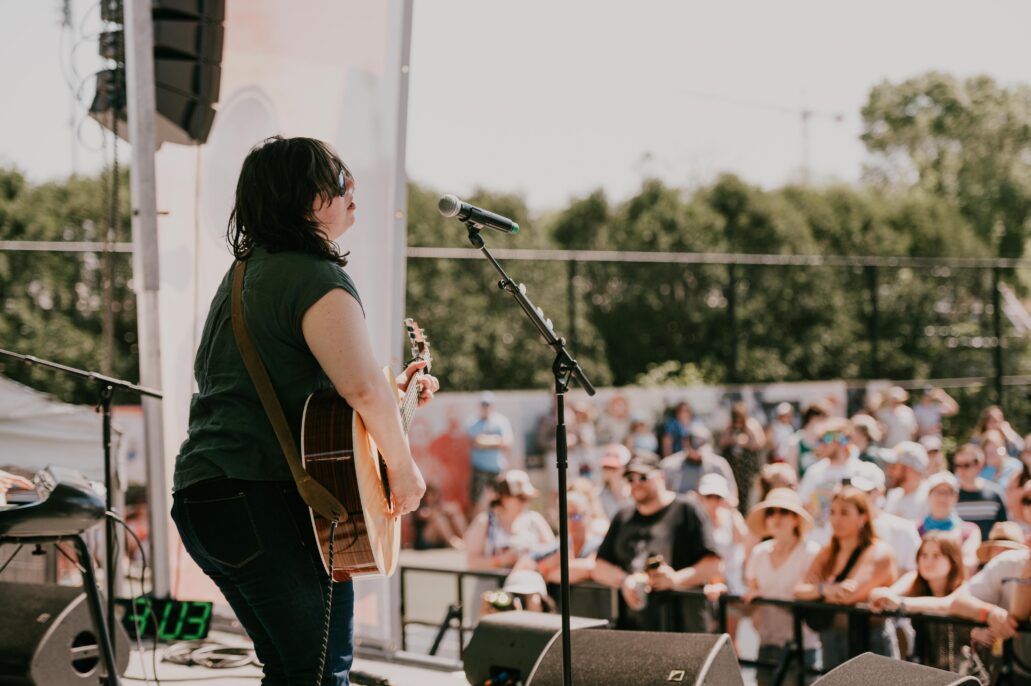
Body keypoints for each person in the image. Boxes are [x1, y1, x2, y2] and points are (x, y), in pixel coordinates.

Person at [170, 137, 436, 686]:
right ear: (306, 198)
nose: (351, 191)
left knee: (293, 671)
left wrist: (396, 401)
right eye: (338, 181)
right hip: (263, 497)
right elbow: (362, 391)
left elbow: (325, 408)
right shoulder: (316, 277)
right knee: (317, 674)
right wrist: (405, 470)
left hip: (212, 499)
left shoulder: (245, 276)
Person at [592, 452, 721, 632]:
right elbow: (599, 567)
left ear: (661, 475)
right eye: (631, 479)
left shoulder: (687, 509)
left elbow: (713, 566)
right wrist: (624, 581)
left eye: (643, 477)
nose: (636, 484)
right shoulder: (623, 516)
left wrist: (676, 579)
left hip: (682, 627)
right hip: (635, 628)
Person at [794, 487, 899, 667]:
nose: (836, 519)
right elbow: (799, 590)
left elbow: (849, 594)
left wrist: (819, 591)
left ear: (863, 517)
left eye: (844, 513)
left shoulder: (879, 551)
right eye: (833, 512)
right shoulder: (827, 552)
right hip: (831, 640)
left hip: (869, 642)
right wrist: (827, 589)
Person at [742, 488, 821, 686]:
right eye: (771, 512)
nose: (777, 517)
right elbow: (750, 594)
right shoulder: (759, 553)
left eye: (783, 512)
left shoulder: (811, 553)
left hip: (801, 646)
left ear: (795, 519)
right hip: (766, 641)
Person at [868, 532, 969, 671]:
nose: (928, 561)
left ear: (953, 560)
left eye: (936, 555)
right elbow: (887, 594)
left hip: (960, 668)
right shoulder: (915, 579)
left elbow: (946, 605)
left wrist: (900, 603)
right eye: (924, 555)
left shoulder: (964, 588)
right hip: (924, 667)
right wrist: (881, 597)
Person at [464, 470, 555, 571]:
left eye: (528, 498)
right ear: (504, 498)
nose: (525, 503)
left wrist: (530, 556)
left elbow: (552, 551)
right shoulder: (485, 522)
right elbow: (472, 562)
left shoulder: (534, 520)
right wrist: (501, 561)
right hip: (493, 584)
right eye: (521, 498)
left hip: (529, 582)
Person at [797, 417, 864, 543]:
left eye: (826, 439)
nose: (821, 444)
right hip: (819, 541)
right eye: (820, 440)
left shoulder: (862, 471)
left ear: (842, 440)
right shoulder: (814, 472)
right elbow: (803, 506)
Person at [851, 461, 921, 573]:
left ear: (880, 492)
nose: (859, 498)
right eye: (855, 492)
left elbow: (914, 572)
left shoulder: (904, 529)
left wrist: (891, 590)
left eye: (866, 492)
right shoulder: (840, 528)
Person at [919, 471, 981, 575]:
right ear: (929, 495)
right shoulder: (914, 528)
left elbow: (970, 563)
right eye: (938, 492)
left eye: (948, 493)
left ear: (956, 497)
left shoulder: (969, 531)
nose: (942, 498)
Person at [536, 490, 603, 584]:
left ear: (588, 516)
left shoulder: (597, 544)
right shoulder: (559, 546)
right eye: (565, 516)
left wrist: (548, 575)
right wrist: (546, 567)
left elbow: (590, 567)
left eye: (575, 516)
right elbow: (534, 566)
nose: (570, 522)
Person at [660, 424, 737, 501]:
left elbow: (732, 497)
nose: (698, 453)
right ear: (685, 442)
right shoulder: (669, 466)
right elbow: (660, 496)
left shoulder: (719, 465)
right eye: (694, 448)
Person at [466, 391, 514, 509]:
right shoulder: (473, 423)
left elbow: (507, 442)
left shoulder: (501, 421)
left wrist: (485, 441)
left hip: (497, 469)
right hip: (479, 468)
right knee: (475, 502)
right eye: (483, 404)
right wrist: (496, 440)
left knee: (499, 501)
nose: (485, 407)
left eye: (488, 404)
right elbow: (476, 442)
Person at [717, 401, 767, 512]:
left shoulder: (751, 425)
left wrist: (746, 441)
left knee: (748, 494)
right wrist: (732, 439)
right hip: (734, 468)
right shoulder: (730, 426)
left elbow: (760, 442)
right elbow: (721, 443)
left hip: (747, 469)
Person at [953, 443, 1009, 540]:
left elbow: (1004, 527)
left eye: (966, 465)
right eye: (958, 465)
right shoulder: (951, 495)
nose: (961, 470)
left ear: (979, 464)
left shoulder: (994, 494)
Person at [882, 440, 930, 522]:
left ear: (909, 469)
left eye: (894, 466)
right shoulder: (893, 495)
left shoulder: (930, 498)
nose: (889, 471)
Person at [412, 483, 467, 550]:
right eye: (430, 494)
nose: (432, 497)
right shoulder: (420, 506)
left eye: (434, 494)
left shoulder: (439, 506)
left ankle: (466, 538)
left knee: (454, 513)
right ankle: (452, 541)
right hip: (424, 541)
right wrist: (439, 511)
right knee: (438, 518)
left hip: (439, 539)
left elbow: (453, 508)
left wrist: (447, 511)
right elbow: (423, 514)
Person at [597, 443, 632, 520]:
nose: (609, 471)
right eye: (606, 467)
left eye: (613, 468)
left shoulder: (635, 493)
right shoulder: (597, 495)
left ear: (626, 468)